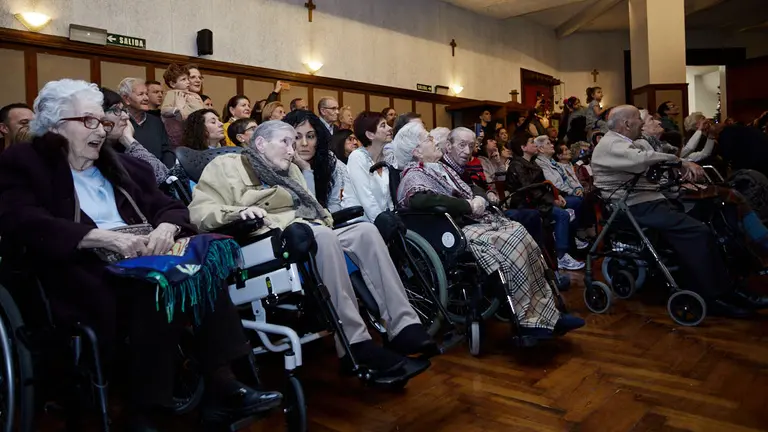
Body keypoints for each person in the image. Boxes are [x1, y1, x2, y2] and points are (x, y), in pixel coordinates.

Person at [0, 79, 283, 427]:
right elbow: (21, 220)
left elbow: (171, 207)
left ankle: (223, 387)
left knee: (202, 271)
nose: (101, 131)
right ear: (56, 125)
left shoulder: (124, 166)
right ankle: (146, 410)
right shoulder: (24, 162)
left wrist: (167, 227)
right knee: (156, 286)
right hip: (79, 269)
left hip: (145, 257)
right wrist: (100, 238)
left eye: (102, 122)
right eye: (88, 121)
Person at [188, 120, 434, 375]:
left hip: (305, 230)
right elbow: (200, 212)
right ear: (260, 143)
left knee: (365, 232)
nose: (292, 150)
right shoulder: (226, 166)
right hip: (262, 239)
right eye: (284, 142)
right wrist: (239, 213)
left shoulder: (291, 171)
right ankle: (355, 341)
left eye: (293, 143)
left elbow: (316, 211)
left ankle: (404, 326)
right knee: (323, 237)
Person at [396, 127, 584, 341]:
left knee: (519, 231)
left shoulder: (437, 169)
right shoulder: (413, 174)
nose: (434, 141)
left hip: (471, 224)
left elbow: (469, 187)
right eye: (428, 139)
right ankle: (528, 321)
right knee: (511, 240)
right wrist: (466, 205)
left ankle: (549, 312)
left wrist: (477, 199)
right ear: (417, 152)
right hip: (455, 232)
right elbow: (421, 200)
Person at [591, 105, 761, 317]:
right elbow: (641, 160)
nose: (642, 123)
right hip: (634, 206)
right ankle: (716, 296)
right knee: (698, 232)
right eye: (638, 119)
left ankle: (730, 288)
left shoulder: (623, 142)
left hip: (646, 202)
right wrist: (680, 162)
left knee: (713, 220)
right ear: (626, 124)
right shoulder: (611, 144)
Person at [508, 136, 585, 270]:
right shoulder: (517, 165)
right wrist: (552, 200)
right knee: (563, 215)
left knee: (568, 211)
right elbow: (529, 190)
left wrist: (557, 195)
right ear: (523, 147)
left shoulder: (532, 163)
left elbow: (544, 186)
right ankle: (561, 256)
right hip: (527, 204)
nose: (535, 145)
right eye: (531, 142)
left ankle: (568, 246)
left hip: (538, 200)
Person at [283, 110, 359, 212]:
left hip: (327, 221)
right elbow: (309, 211)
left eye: (310, 136)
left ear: (318, 139)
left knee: (367, 227)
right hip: (297, 223)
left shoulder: (328, 161)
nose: (304, 143)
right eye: (297, 137)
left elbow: (334, 204)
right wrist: (306, 169)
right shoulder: (281, 164)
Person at [100, 87, 169, 184]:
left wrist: (129, 141)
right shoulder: (93, 156)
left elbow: (165, 179)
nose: (126, 116)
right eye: (116, 110)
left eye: (123, 110)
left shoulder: (125, 149)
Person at [347, 111, 394, 222]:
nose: (390, 128)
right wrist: (383, 223)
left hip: (383, 220)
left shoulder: (388, 158)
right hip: (360, 223)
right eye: (383, 125)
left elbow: (389, 198)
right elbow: (366, 198)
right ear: (370, 135)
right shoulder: (357, 157)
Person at [118, 77, 175, 168]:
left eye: (146, 94)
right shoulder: (119, 121)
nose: (146, 98)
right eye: (141, 94)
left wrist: (166, 172)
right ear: (126, 99)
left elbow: (167, 150)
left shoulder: (156, 121)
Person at [160, 64, 205, 150]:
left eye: (188, 79)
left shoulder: (196, 96)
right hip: (179, 136)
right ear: (173, 84)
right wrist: (178, 108)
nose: (188, 82)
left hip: (197, 134)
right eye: (183, 79)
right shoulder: (172, 94)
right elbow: (164, 110)